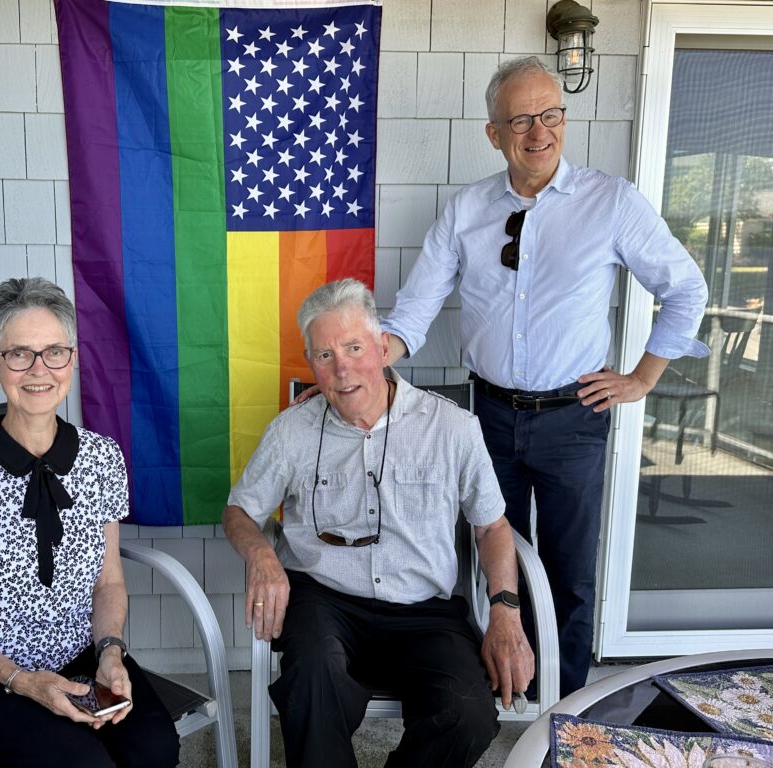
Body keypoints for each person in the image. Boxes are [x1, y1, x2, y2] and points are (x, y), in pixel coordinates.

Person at [380, 57, 709, 696]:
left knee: (567, 571)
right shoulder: (467, 210)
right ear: (494, 132)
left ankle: (567, 706)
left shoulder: (610, 201)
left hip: (573, 418)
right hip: (488, 417)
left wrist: (642, 377)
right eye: (521, 119)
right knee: (492, 563)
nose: (540, 131)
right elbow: (414, 312)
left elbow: (685, 289)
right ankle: (501, 692)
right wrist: (362, 361)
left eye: (551, 114)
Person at [223, 279, 535, 768]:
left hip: (424, 608)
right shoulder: (292, 431)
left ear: (383, 347)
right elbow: (239, 510)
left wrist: (506, 613)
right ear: (311, 365)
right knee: (312, 679)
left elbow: (492, 527)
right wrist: (262, 555)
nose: (342, 369)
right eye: (324, 356)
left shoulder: (452, 428)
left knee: (469, 712)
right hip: (324, 601)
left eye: (353, 348)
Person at [0, 277, 179, 768]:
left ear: (71, 362)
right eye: (19, 354)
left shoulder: (101, 457)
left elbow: (109, 581)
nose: (39, 370)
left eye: (54, 352)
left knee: (156, 749)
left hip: (78, 655)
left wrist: (111, 653)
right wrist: (22, 680)